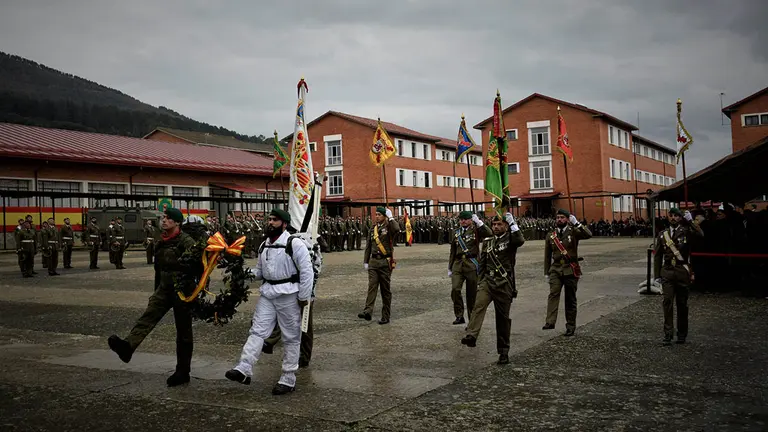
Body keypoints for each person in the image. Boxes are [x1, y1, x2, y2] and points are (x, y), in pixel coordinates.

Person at [225, 209, 313, 395]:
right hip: (268, 293)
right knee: (257, 330)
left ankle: (288, 377)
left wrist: (303, 298)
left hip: (288, 294)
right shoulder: (264, 245)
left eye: (275, 220)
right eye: (270, 219)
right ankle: (244, 368)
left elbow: (307, 272)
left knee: (291, 336)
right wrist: (241, 273)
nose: (270, 222)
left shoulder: (294, 243)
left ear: (284, 224)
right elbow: (260, 271)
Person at [107, 208, 198, 387]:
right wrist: (156, 290)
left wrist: (197, 292)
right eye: (163, 218)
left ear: (177, 223)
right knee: (147, 317)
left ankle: (183, 371)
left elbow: (200, 266)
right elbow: (158, 267)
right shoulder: (161, 240)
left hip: (183, 291)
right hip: (164, 288)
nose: (164, 221)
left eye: (168, 219)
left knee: (184, 332)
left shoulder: (187, 242)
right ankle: (128, 347)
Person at [461, 213, 525, 364]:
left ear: (506, 226)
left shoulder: (511, 240)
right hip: (488, 282)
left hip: (503, 283)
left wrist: (513, 222)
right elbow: (482, 263)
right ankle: (471, 335)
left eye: (499, 224)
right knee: (478, 306)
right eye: (494, 225)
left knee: (502, 319)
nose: (496, 227)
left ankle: (503, 351)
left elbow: (520, 240)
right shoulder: (488, 241)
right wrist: (480, 281)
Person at [653, 208, 704, 345]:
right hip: (668, 271)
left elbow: (701, 234)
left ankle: (682, 334)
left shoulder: (687, 231)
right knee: (667, 303)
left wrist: (691, 221)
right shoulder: (663, 234)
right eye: (671, 215)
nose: (673, 218)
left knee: (682, 304)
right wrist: (657, 275)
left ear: (681, 218)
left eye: (676, 216)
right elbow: (657, 256)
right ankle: (668, 334)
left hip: (682, 271)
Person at [543, 209, 592, 336]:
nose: (559, 219)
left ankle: (570, 325)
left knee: (570, 298)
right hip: (555, 269)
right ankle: (550, 321)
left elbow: (588, 234)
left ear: (567, 219)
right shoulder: (551, 235)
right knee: (553, 294)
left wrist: (577, 223)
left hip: (570, 269)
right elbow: (547, 256)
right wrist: (546, 272)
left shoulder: (574, 232)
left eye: (562, 217)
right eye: (558, 217)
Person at [448, 211, 492, 325]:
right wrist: (450, 267)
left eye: (466, 219)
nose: (463, 221)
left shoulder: (476, 230)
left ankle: (472, 319)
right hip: (458, 264)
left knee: (471, 294)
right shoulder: (455, 232)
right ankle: (459, 315)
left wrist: (479, 223)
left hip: (472, 263)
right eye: (461, 219)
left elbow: (489, 233)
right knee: (455, 289)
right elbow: (452, 251)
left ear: (471, 220)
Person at [358, 207, 400, 324]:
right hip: (373, 262)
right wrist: (366, 261)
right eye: (375, 214)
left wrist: (391, 217)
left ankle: (385, 316)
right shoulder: (373, 228)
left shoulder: (389, 227)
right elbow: (368, 246)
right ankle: (368, 311)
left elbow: (397, 229)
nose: (376, 216)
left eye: (379, 215)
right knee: (372, 286)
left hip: (384, 263)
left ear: (384, 216)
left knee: (385, 290)